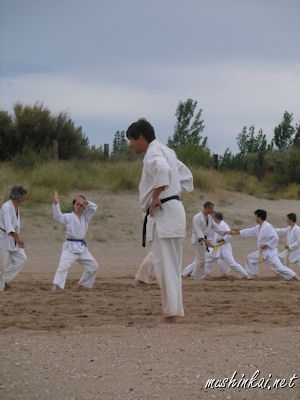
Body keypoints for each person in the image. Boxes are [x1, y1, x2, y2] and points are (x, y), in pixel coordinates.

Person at [126, 118, 193, 323]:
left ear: (140, 138)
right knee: (171, 265)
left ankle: (172, 315)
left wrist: (156, 197)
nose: (130, 145)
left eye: (131, 140)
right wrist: (172, 192)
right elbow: (186, 177)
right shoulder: (167, 151)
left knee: (165, 266)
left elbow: (163, 172)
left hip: (164, 211)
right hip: (173, 208)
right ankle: (174, 312)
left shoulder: (153, 153)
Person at [230, 209, 300, 281]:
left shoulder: (267, 226)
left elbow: (275, 239)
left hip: (270, 253)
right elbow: (250, 231)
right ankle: (255, 275)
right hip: (262, 252)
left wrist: (266, 245)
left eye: (256, 217)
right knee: (250, 258)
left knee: (279, 267)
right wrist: (236, 232)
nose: (255, 218)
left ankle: (296, 276)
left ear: (259, 217)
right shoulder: (259, 226)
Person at [51, 190, 99, 291]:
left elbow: (94, 208)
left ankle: (80, 285)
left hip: (81, 247)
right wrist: (56, 203)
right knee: (63, 266)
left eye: (81, 205)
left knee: (93, 266)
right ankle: (55, 287)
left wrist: (85, 202)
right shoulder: (68, 217)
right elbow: (57, 217)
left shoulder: (86, 217)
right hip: (70, 246)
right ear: (73, 205)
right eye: (77, 204)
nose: (79, 207)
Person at [182, 201, 225, 280]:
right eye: (211, 209)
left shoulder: (209, 217)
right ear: (206, 208)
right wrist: (206, 241)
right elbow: (198, 231)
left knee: (199, 258)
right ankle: (196, 276)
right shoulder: (197, 217)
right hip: (198, 240)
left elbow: (215, 227)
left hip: (203, 241)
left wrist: (226, 232)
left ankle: (191, 274)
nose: (212, 210)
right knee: (201, 259)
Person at [202, 212, 251, 279]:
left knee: (231, 263)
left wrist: (221, 240)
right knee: (208, 259)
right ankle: (207, 275)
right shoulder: (218, 225)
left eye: (214, 218)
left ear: (216, 218)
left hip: (224, 248)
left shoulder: (223, 225)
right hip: (217, 248)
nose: (213, 219)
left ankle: (246, 275)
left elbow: (229, 236)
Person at [0, 185, 28, 291]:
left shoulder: (15, 207)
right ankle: (1, 288)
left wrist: (16, 238)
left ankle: (5, 280)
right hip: (3, 238)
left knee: (22, 259)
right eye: (23, 195)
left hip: (12, 238)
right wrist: (18, 239)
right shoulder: (6, 207)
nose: (24, 198)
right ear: (17, 196)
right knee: (2, 264)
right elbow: (8, 227)